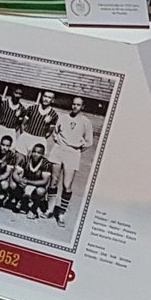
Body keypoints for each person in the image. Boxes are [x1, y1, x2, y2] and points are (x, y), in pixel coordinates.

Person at [47, 96, 93, 227]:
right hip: (59, 150)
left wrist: (76, 149)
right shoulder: (63, 117)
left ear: (82, 107)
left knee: (67, 185)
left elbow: (89, 142)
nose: (75, 107)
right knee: (53, 181)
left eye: (78, 105)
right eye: (73, 104)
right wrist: (60, 143)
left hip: (73, 153)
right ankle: (50, 209)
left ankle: (61, 213)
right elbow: (55, 133)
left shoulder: (86, 122)